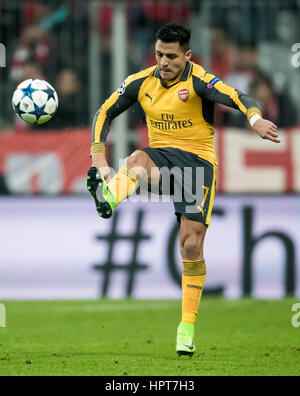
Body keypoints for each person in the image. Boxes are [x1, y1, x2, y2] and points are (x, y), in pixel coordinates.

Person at [87, 23, 279, 357]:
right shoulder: (140, 82)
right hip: (160, 158)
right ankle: (108, 197)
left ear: (187, 55)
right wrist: (98, 156)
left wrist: (255, 119)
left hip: (197, 166)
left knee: (190, 245)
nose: (164, 62)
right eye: (159, 54)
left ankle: (186, 328)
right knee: (134, 159)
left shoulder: (199, 80)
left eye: (172, 56)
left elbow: (238, 96)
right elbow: (105, 110)